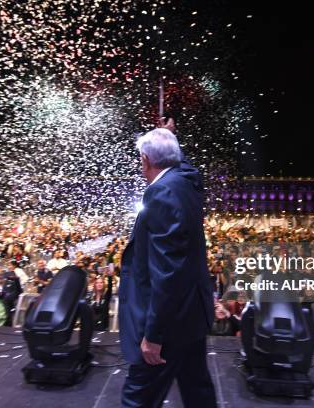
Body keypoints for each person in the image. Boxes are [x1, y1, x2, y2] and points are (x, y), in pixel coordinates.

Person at [119, 118, 217, 407]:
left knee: (138, 396)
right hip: (192, 313)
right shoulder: (188, 181)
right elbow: (183, 164)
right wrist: (168, 137)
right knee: (197, 389)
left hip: (169, 323)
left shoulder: (161, 192)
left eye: (141, 160)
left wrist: (154, 335)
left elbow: (168, 272)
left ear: (146, 160)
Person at [88, 264, 114, 331]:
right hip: (91, 328)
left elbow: (110, 286)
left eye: (101, 282)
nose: (99, 284)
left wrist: (109, 275)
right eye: (97, 283)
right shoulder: (91, 297)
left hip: (103, 328)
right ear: (95, 285)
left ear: (104, 284)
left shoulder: (106, 296)